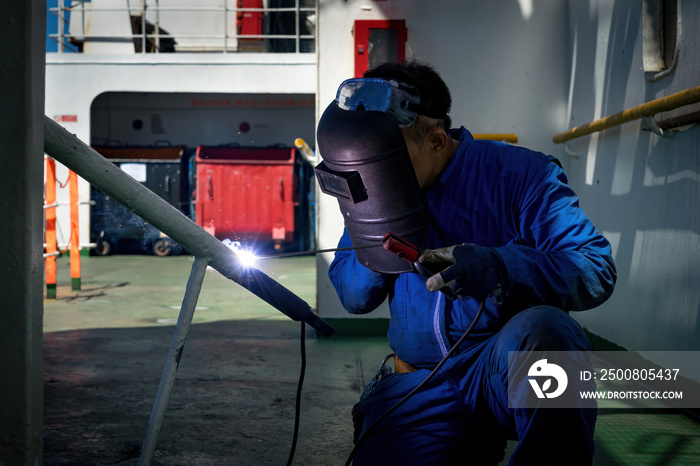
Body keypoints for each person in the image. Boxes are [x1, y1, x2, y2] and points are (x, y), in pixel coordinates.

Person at [327, 61, 617, 465]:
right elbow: (354, 298)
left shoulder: (521, 175)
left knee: (550, 334)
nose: (380, 179)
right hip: (419, 383)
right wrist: (378, 238)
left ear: (437, 141)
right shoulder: (372, 190)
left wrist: (502, 265)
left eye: (393, 164)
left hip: (495, 371)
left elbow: (594, 268)